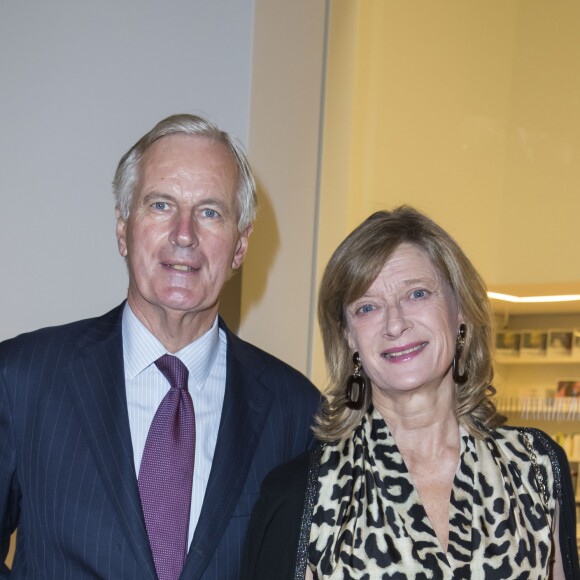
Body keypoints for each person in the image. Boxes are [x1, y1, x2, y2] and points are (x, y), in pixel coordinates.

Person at [0, 114, 320, 579]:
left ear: (240, 246)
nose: (185, 234)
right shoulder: (21, 378)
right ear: (122, 227)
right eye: (161, 205)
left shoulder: (298, 412)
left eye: (211, 212)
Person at [241, 206, 580, 579]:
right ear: (349, 336)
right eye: (367, 307)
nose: (395, 323)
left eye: (417, 294)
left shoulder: (535, 466)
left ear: (461, 310)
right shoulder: (301, 493)